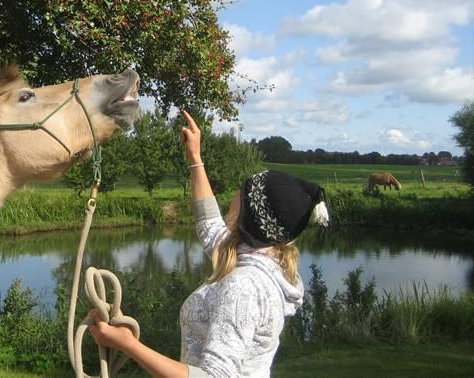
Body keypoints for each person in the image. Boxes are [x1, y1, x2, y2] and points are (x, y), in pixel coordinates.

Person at [87, 110, 330, 378]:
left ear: (250, 214)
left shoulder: (243, 287)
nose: (235, 196)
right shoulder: (261, 260)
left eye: (242, 193)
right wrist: (195, 158)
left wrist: (127, 344)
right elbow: (209, 224)